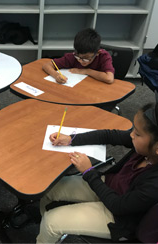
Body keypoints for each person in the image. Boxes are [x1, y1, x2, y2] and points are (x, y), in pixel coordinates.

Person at [37, 103, 158, 243]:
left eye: (137, 133)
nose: (131, 135)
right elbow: (108, 135)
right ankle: (44, 226)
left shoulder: (154, 185)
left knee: (51, 222)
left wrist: (89, 172)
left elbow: (117, 206)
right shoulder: (146, 145)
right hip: (108, 186)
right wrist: (71, 139)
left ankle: (46, 231)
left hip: (117, 216)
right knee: (49, 189)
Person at [42, 28, 115, 84]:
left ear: (98, 53)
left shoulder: (103, 56)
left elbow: (109, 78)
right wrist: (56, 75)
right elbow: (47, 65)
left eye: (86, 59)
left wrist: (86, 71)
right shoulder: (73, 56)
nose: (80, 61)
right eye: (78, 57)